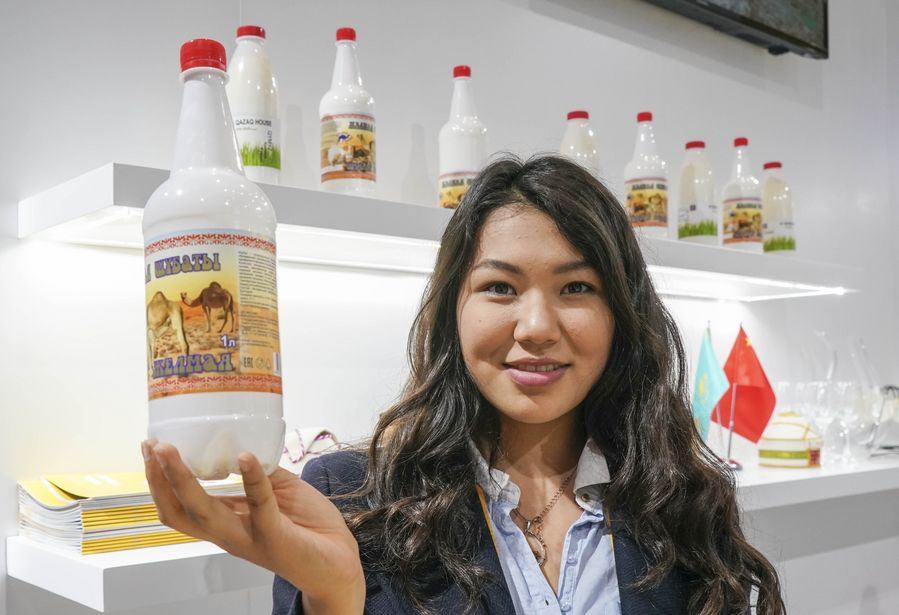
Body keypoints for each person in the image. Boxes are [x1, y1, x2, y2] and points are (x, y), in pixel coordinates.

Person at [143, 154, 785, 615]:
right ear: (454, 310)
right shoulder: (351, 501)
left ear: (621, 313)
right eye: (500, 287)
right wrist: (337, 597)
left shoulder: (681, 497)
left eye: (576, 287)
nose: (536, 327)